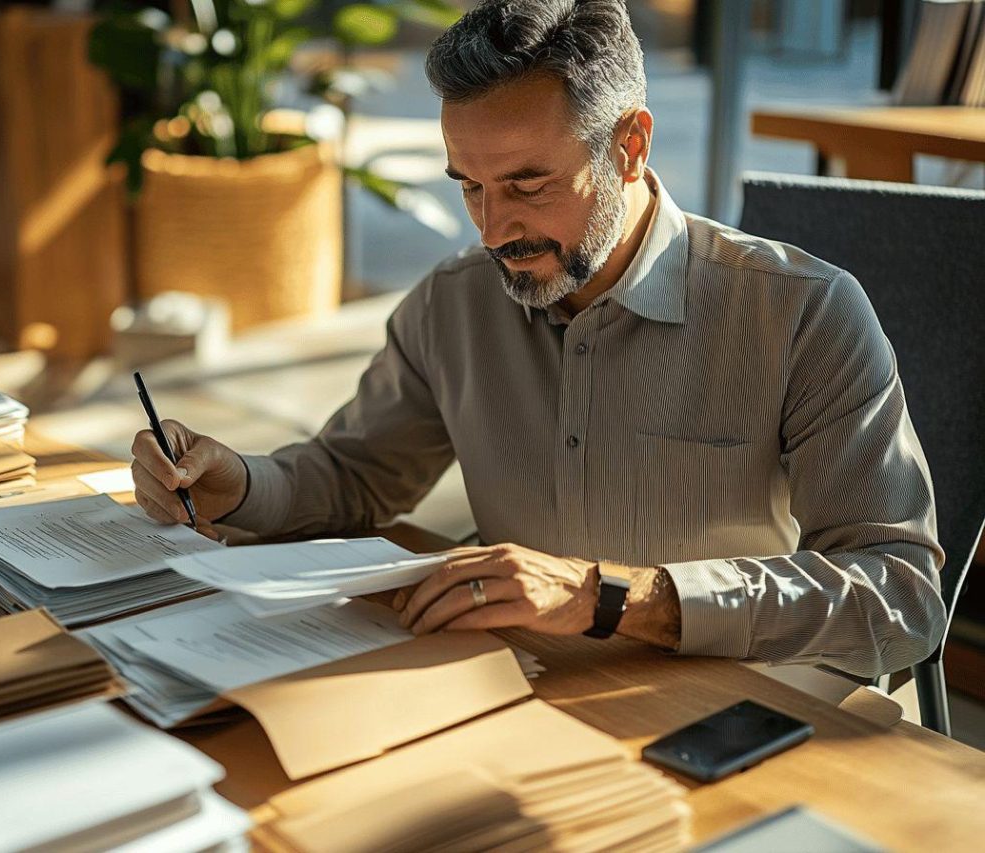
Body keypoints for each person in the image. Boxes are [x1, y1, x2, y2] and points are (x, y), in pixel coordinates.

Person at [131, 0, 946, 679]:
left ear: (629, 146)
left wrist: (613, 596)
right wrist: (232, 480)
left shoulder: (804, 313)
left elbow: (901, 594)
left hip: (718, 712)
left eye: (527, 183)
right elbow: (353, 475)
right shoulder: (452, 304)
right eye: (470, 188)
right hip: (503, 689)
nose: (494, 228)